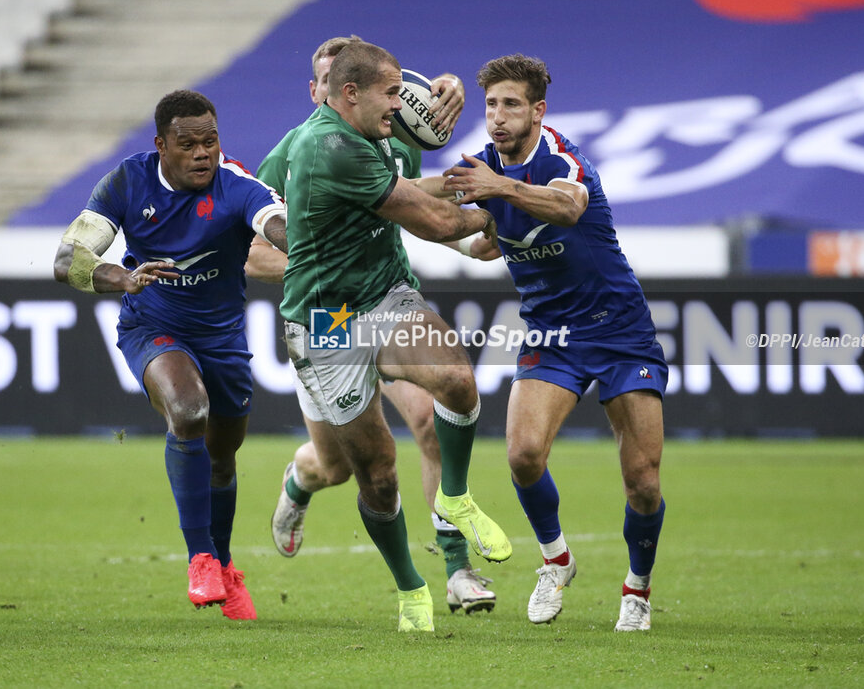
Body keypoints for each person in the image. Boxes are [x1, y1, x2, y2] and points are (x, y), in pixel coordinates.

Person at [247, 35, 496, 616]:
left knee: (436, 414)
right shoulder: (294, 154)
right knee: (347, 468)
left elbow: (411, 199)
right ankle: (300, 480)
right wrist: (316, 258)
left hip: (385, 302)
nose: (395, 103)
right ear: (325, 92)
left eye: (397, 91)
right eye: (325, 79)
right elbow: (250, 253)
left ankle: (457, 566)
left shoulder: (388, 132)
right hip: (327, 319)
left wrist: (445, 95)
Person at [442, 54, 668, 632]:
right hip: (551, 330)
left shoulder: (562, 159)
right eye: (491, 104)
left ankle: (637, 588)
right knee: (522, 454)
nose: (497, 116)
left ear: (538, 110)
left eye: (511, 104)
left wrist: (500, 187)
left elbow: (567, 207)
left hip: (619, 327)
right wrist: (418, 224)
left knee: (642, 480)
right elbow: (485, 243)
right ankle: (556, 561)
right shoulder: (483, 170)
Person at [53, 89, 288, 621]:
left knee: (223, 455)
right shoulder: (127, 181)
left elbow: (274, 222)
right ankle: (200, 557)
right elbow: (68, 259)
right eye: (189, 144)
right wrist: (124, 277)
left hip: (223, 337)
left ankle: (226, 567)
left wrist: (301, 242)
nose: (203, 153)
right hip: (153, 326)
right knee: (188, 411)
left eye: (211, 141)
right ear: (162, 145)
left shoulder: (236, 183)